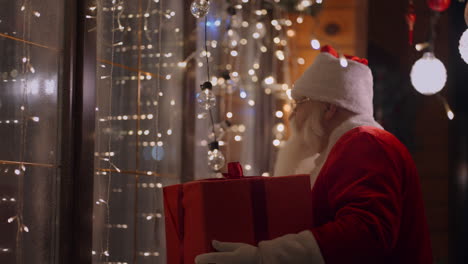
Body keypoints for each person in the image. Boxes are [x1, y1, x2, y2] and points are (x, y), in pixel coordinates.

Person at [195, 45, 433, 264]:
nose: (292, 114)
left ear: (330, 108)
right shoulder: (348, 147)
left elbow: (366, 232)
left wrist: (265, 257)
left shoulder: (365, 142)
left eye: (300, 102)